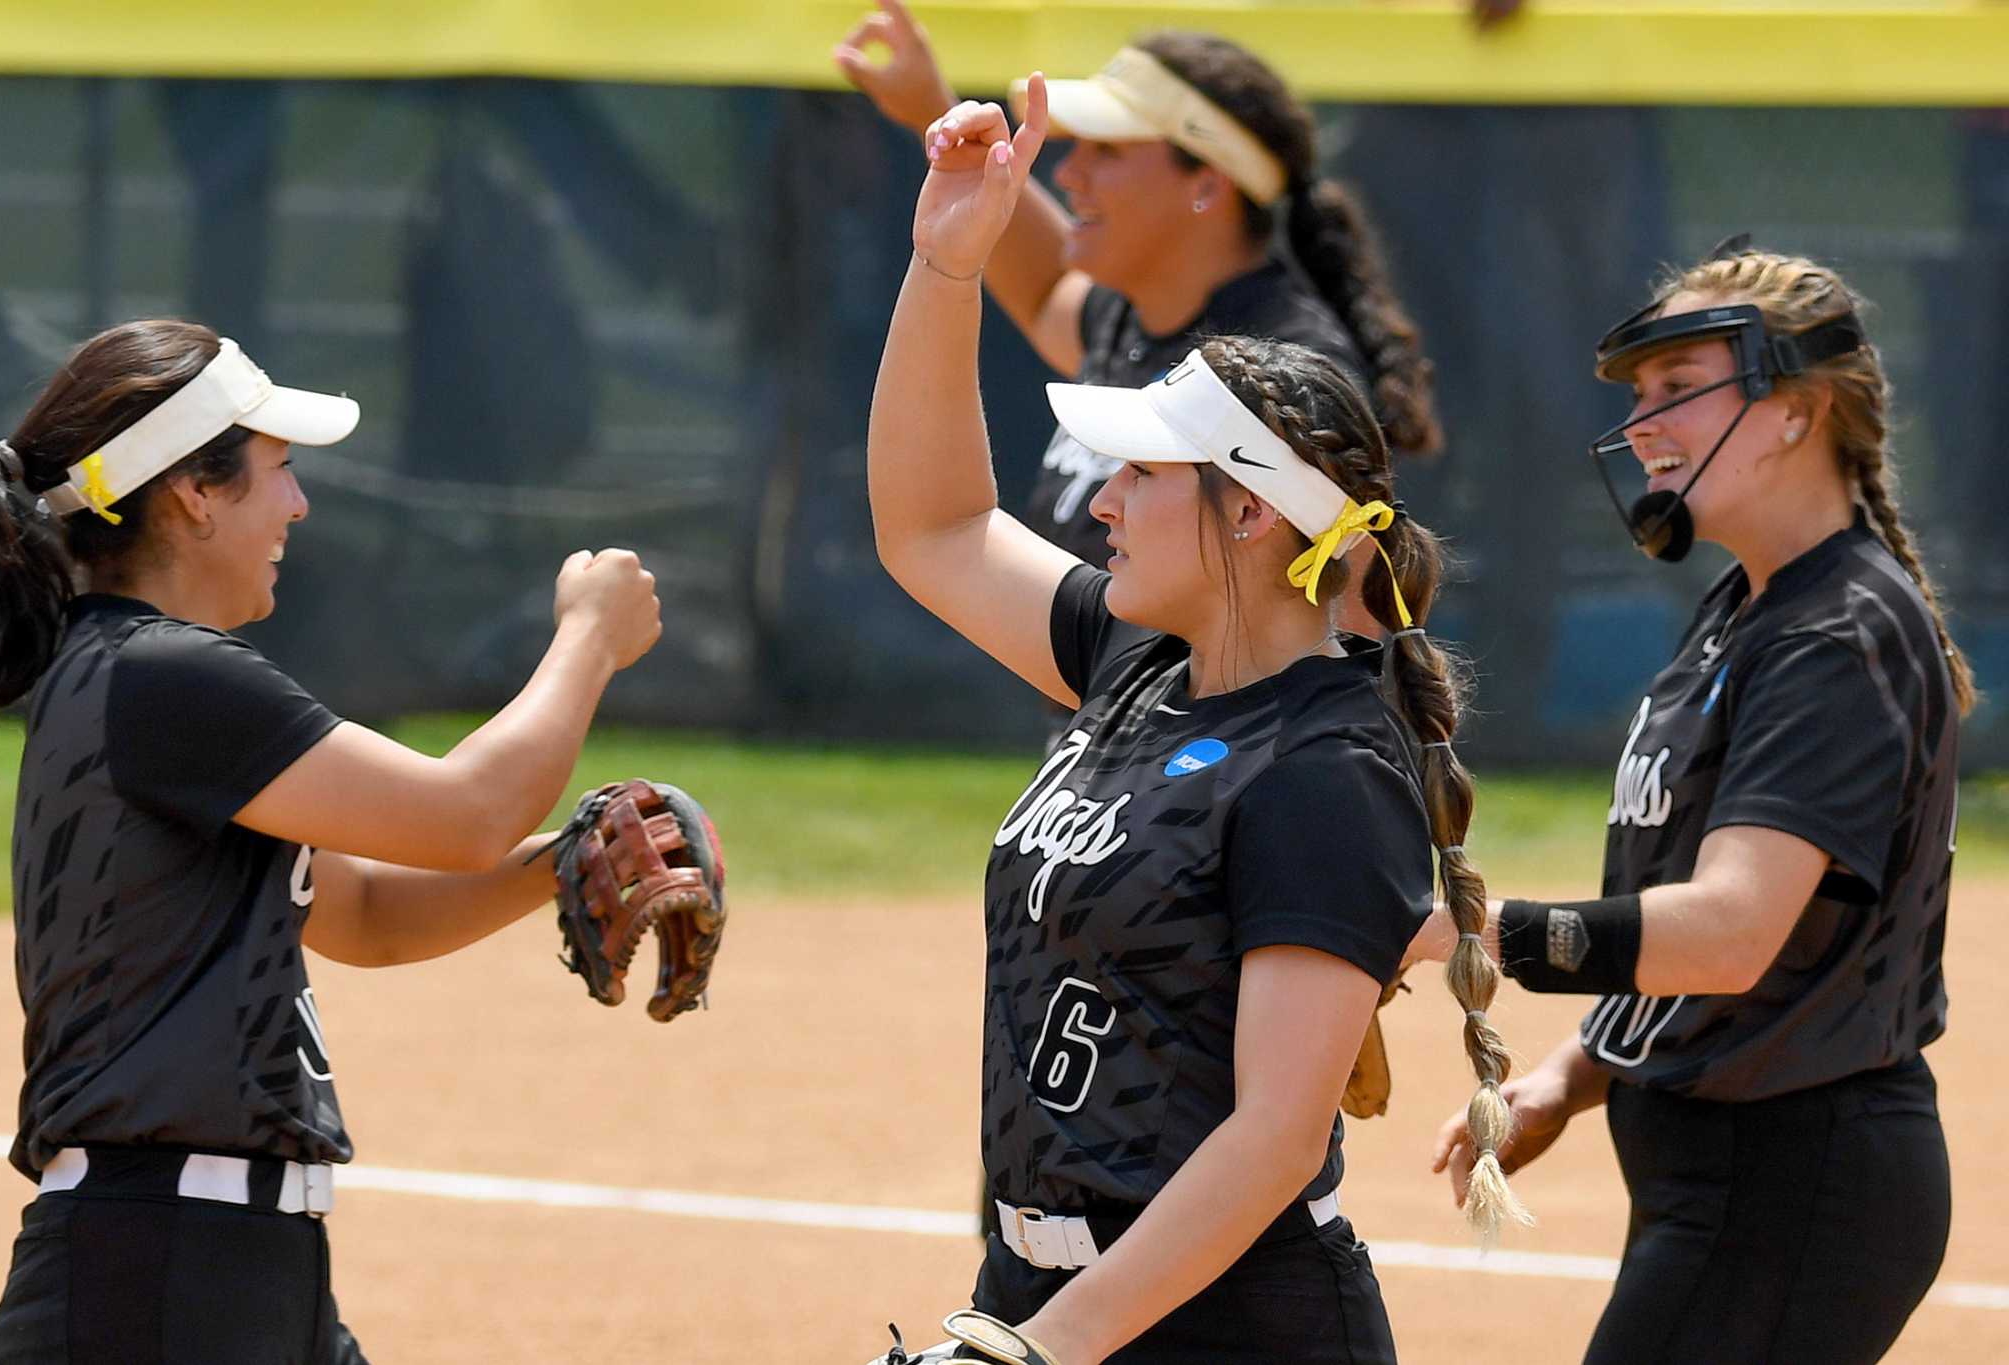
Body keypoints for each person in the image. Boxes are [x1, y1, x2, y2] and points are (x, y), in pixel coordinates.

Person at [865, 80, 1523, 1365]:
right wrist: (944, 265)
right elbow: (930, 526)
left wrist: (1046, 1350)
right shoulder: (1134, 664)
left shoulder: (1323, 767)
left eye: (1141, 474)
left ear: (1250, 514)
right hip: (1039, 1291)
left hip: (1220, 1325)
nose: (1103, 502)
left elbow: (1273, 1136)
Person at [0, 320, 662, 1364]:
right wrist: (590, 636)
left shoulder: (137, 681)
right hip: (155, 1275)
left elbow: (366, 915)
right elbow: (466, 810)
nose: (297, 504)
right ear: (195, 492)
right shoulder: (160, 676)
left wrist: (563, 858)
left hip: (232, 1267)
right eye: (277, 471)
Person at [1424, 247, 1967, 1363]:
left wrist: (1477, 929)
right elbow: (1689, 928)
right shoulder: (1749, 608)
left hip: (1787, 1183)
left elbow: (1727, 932)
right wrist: (1569, 1077)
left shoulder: (1834, 634)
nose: (1641, 425)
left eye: (1677, 389)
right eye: (1635, 399)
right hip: (1736, 1179)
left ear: (1791, 413)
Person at [835, 1, 1441, 641]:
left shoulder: (1282, 372)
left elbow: (1352, 628)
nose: (1069, 172)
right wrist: (935, 112)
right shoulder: (1126, 317)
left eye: (1108, 150)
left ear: (1206, 182)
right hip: (1126, 733)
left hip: (1216, 743)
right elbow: (1043, 291)